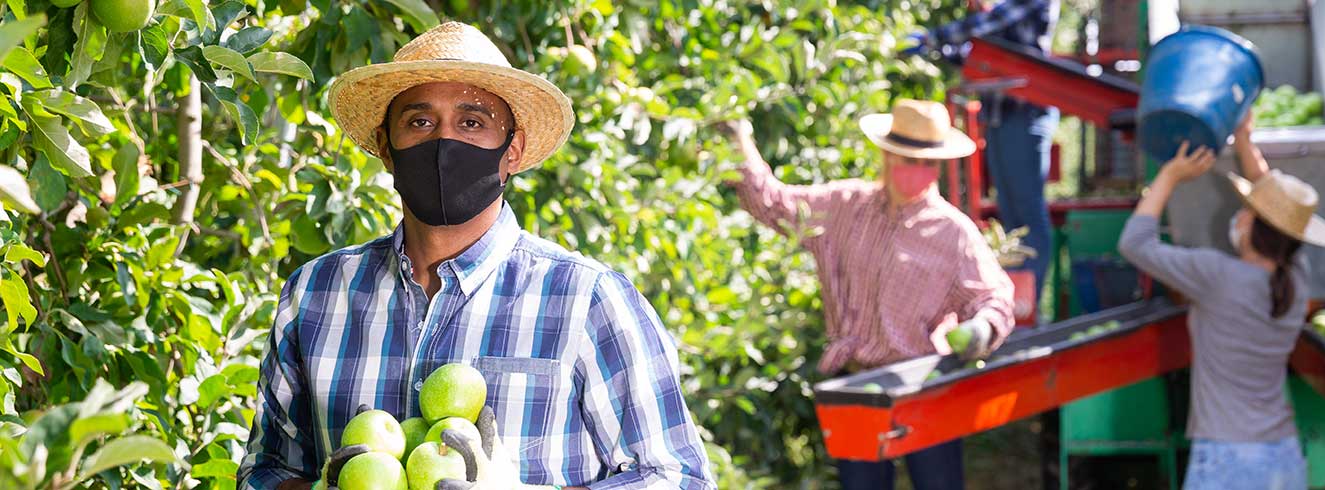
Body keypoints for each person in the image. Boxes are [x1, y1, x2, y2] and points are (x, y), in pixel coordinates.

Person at [237, 22, 715, 490]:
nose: (444, 143)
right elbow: (265, 469)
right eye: (419, 122)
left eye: (473, 122)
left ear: (513, 150)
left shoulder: (587, 300)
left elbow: (679, 477)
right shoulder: (317, 294)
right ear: (386, 148)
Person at [724, 99, 1016, 490]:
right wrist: (741, 141)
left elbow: (993, 297)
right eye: (908, 159)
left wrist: (981, 329)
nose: (917, 171)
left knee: (938, 483)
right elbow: (774, 203)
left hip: (923, 385)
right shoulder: (845, 206)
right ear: (887, 154)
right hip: (858, 385)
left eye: (927, 163)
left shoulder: (952, 233)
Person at [1117, 114, 1325, 490]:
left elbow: (1135, 244)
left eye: (1247, 210)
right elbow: (1278, 205)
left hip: (1227, 459)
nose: (1240, 214)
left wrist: (1168, 176)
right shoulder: (1296, 277)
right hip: (1283, 456)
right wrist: (1244, 141)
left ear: (1254, 227)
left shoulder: (1217, 276)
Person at [904, 0, 1061, 299]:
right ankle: (1014, 298)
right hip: (1000, 115)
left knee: (1027, 209)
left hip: (1025, 113)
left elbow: (989, 24)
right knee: (1010, 211)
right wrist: (942, 51)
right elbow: (979, 54)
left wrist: (930, 38)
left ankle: (1029, 304)